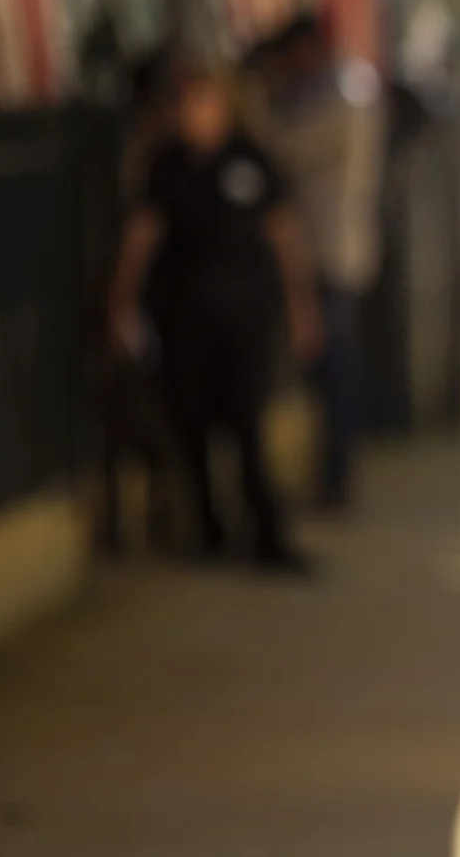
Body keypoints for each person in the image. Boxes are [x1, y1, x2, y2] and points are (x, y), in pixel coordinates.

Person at [108, 61, 323, 573]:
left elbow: (284, 236)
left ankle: (266, 533)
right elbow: (141, 237)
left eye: (203, 101)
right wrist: (121, 303)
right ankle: (209, 528)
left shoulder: (253, 161)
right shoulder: (166, 168)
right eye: (185, 103)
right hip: (184, 317)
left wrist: (301, 307)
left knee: (248, 421)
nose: (193, 114)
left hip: (245, 315)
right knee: (192, 421)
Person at [255, 12, 385, 511]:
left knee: (333, 368)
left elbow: (283, 149)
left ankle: (337, 477)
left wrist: (253, 108)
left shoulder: (341, 96)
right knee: (332, 367)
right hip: (337, 250)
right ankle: (334, 474)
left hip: (330, 252)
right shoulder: (344, 88)